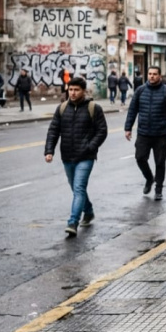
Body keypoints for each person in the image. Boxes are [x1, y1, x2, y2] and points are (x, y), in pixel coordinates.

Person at [44, 77, 108, 237]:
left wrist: (90, 147)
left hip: (85, 157)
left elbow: (102, 131)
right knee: (76, 188)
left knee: (78, 188)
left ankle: (73, 222)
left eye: (76, 90)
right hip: (67, 155)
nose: (72, 93)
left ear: (83, 91)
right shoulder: (62, 108)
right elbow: (53, 130)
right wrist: (49, 150)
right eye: (70, 90)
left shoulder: (94, 108)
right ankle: (89, 211)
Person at [124, 66, 166, 201]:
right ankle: (149, 178)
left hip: (160, 133)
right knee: (140, 158)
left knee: (160, 162)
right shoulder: (140, 90)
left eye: (155, 74)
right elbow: (132, 110)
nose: (152, 76)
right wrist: (128, 128)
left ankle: (159, 189)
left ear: (160, 76)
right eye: (150, 74)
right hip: (143, 133)